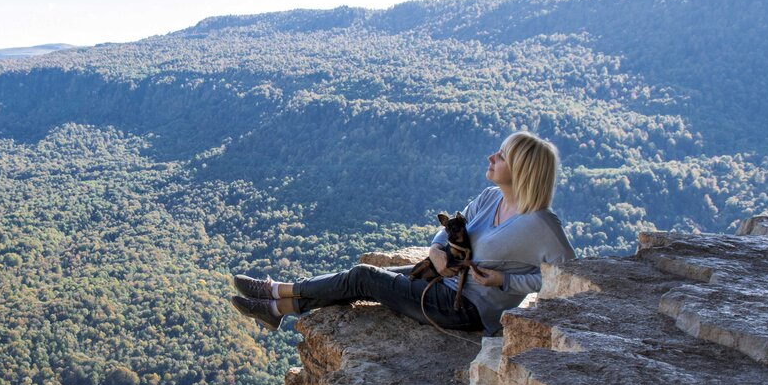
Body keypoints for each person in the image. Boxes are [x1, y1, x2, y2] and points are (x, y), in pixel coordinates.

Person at [230, 131, 575, 337]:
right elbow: (451, 230)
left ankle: (275, 293)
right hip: (439, 282)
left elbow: (568, 282)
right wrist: (437, 251)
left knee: (363, 277)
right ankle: (277, 306)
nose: (491, 157)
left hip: (464, 308)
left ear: (522, 170)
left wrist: (504, 281)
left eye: (501, 155)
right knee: (356, 279)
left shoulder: (541, 225)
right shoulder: (490, 199)